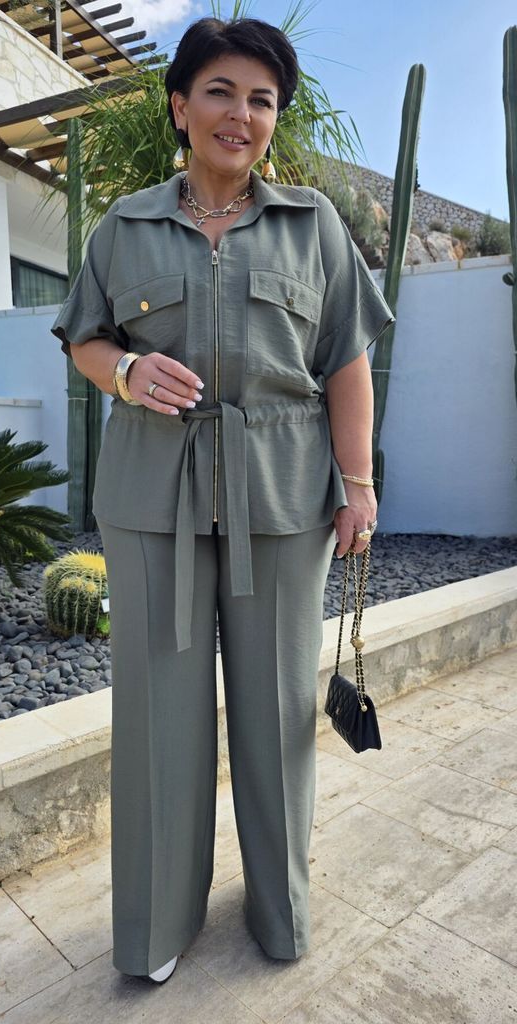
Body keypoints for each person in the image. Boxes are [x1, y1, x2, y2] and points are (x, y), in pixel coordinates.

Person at [51, 15, 395, 985]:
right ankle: (157, 921)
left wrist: (359, 484)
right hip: (150, 496)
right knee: (157, 715)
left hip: (282, 499)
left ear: (273, 119)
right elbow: (85, 337)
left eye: (261, 100)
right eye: (220, 92)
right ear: (180, 105)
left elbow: (347, 360)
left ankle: (280, 908)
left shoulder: (313, 227)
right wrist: (125, 373)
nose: (240, 114)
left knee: (278, 711)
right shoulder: (122, 226)